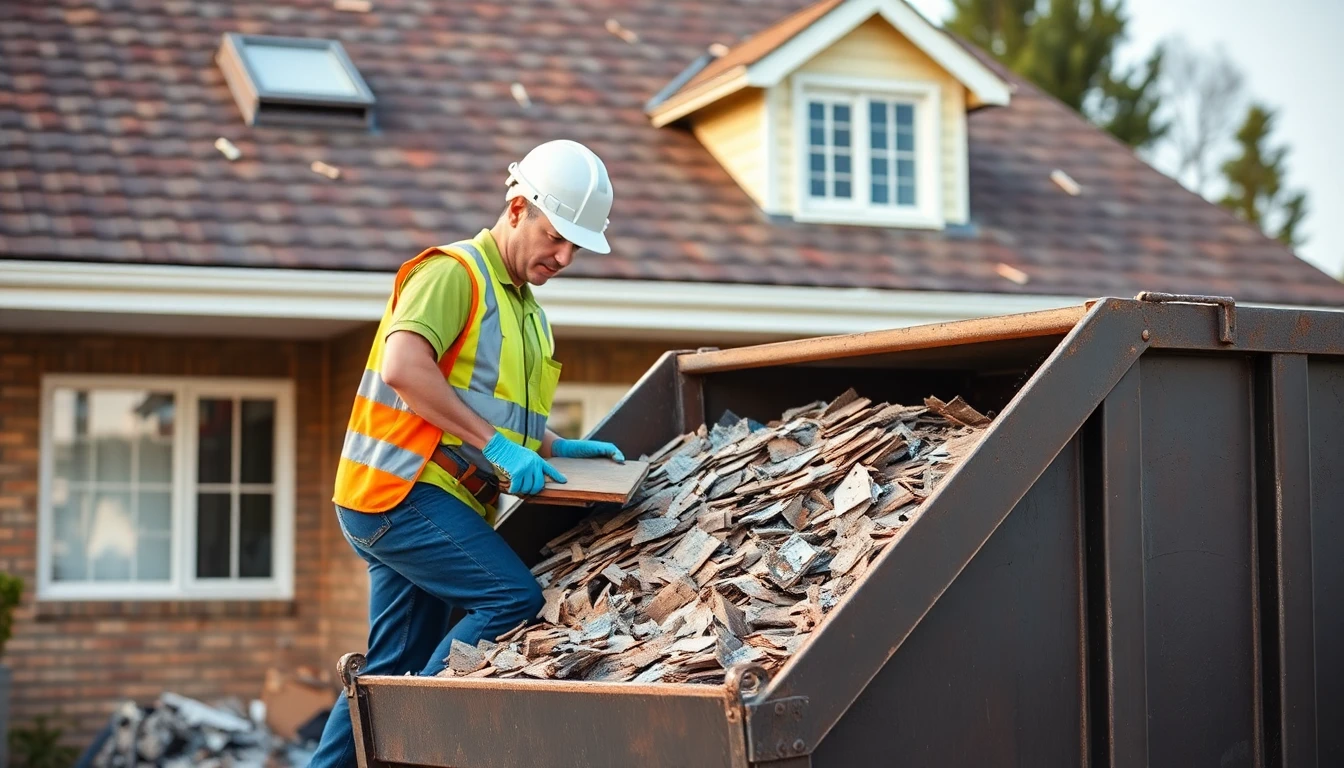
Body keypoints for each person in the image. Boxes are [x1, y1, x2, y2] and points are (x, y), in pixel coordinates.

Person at [309, 139, 626, 768]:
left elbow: (497, 414)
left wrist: (558, 445)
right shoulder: (453, 273)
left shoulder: (529, 313)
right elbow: (404, 368)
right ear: (516, 209)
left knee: (391, 669)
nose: (564, 256)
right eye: (556, 236)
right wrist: (498, 445)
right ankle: (420, 746)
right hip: (400, 490)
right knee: (513, 598)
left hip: (433, 498)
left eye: (577, 247)